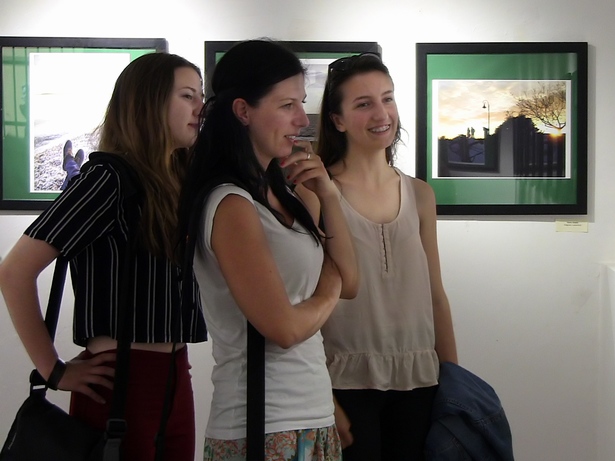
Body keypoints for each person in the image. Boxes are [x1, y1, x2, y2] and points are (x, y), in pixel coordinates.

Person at [0, 52, 207, 461]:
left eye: (201, 95)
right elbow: (14, 271)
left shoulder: (176, 180)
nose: (200, 107)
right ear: (147, 103)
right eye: (188, 96)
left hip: (174, 372)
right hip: (119, 379)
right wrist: (53, 369)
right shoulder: (107, 178)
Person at [176, 39, 358, 461]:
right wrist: (328, 288)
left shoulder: (283, 193)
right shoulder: (230, 204)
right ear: (243, 111)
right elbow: (285, 328)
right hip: (261, 426)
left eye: (301, 103)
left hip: (310, 414)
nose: (302, 119)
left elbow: (351, 281)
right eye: (287, 105)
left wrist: (328, 195)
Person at [316, 53, 459, 461]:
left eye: (388, 98)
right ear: (337, 119)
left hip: (420, 378)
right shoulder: (318, 192)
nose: (382, 114)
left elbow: (436, 296)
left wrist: (453, 383)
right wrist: (323, 397)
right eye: (364, 104)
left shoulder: (420, 193)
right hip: (344, 381)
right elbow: (306, 301)